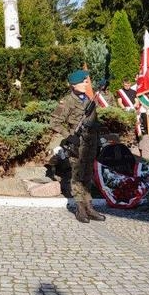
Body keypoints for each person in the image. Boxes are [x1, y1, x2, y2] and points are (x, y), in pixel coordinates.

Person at [49, 70, 106, 224]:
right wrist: (69, 135)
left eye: (87, 81)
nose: (86, 84)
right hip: (77, 143)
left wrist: (98, 140)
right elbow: (54, 122)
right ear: (74, 85)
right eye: (83, 82)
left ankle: (89, 207)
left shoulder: (88, 99)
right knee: (77, 176)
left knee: (88, 174)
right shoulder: (67, 101)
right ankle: (80, 208)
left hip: (90, 142)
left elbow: (94, 122)